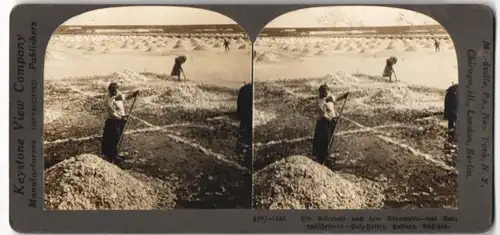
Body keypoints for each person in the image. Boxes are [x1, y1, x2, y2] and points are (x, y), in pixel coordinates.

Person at [101, 83, 139, 165]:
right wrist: (121, 118)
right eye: (113, 91)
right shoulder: (108, 100)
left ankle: (115, 154)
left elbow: (124, 97)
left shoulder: (117, 94)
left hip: (120, 120)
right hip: (113, 122)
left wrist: (133, 95)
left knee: (119, 138)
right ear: (109, 91)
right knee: (113, 139)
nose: (115, 92)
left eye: (116, 90)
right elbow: (112, 113)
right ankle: (112, 156)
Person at [312, 84, 349, 165]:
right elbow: (322, 113)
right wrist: (330, 118)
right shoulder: (320, 101)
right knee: (324, 139)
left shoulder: (330, 97)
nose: (325, 93)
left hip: (331, 121)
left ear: (328, 91)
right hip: (323, 123)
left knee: (331, 138)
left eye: (326, 91)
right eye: (323, 92)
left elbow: (336, 98)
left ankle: (326, 155)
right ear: (320, 93)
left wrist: (344, 96)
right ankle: (321, 157)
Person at [236, 82, 252, 168]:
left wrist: (239, 112)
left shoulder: (243, 89)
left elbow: (239, 104)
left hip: (244, 115)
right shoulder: (247, 89)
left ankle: (241, 154)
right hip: (248, 114)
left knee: (243, 130)